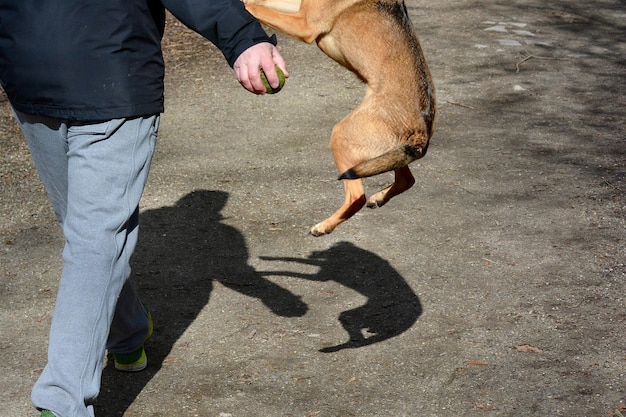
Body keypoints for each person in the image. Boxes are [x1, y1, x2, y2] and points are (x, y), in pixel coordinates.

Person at [0, 1, 288, 416]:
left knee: (93, 241)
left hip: (113, 78)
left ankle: (60, 401)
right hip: (30, 78)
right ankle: (129, 330)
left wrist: (243, 37)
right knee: (84, 234)